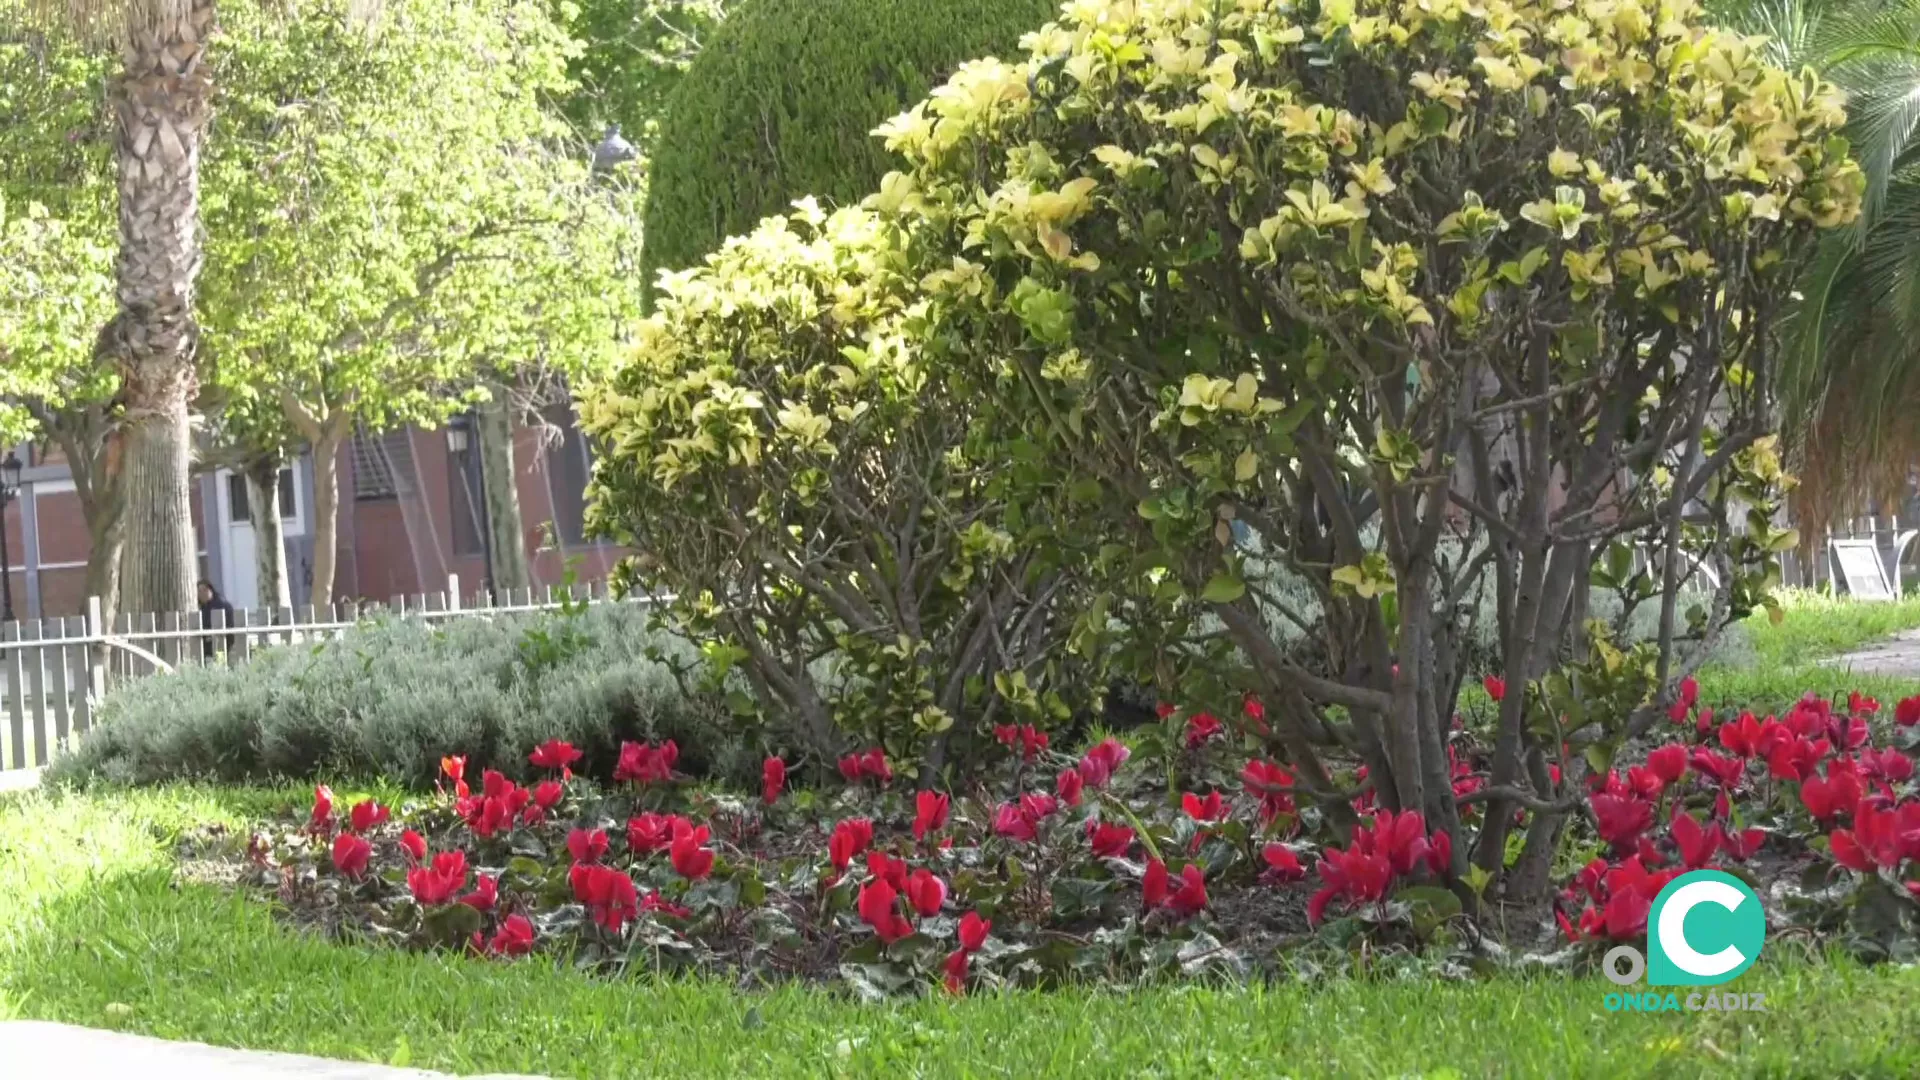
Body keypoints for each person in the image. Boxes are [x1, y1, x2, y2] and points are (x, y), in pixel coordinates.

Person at [197, 580, 236, 661]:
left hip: (221, 641)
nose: (201, 594)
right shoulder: (203, 606)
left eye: (204, 590)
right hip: (207, 644)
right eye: (199, 591)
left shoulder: (220, 605)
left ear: (210, 590)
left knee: (219, 662)